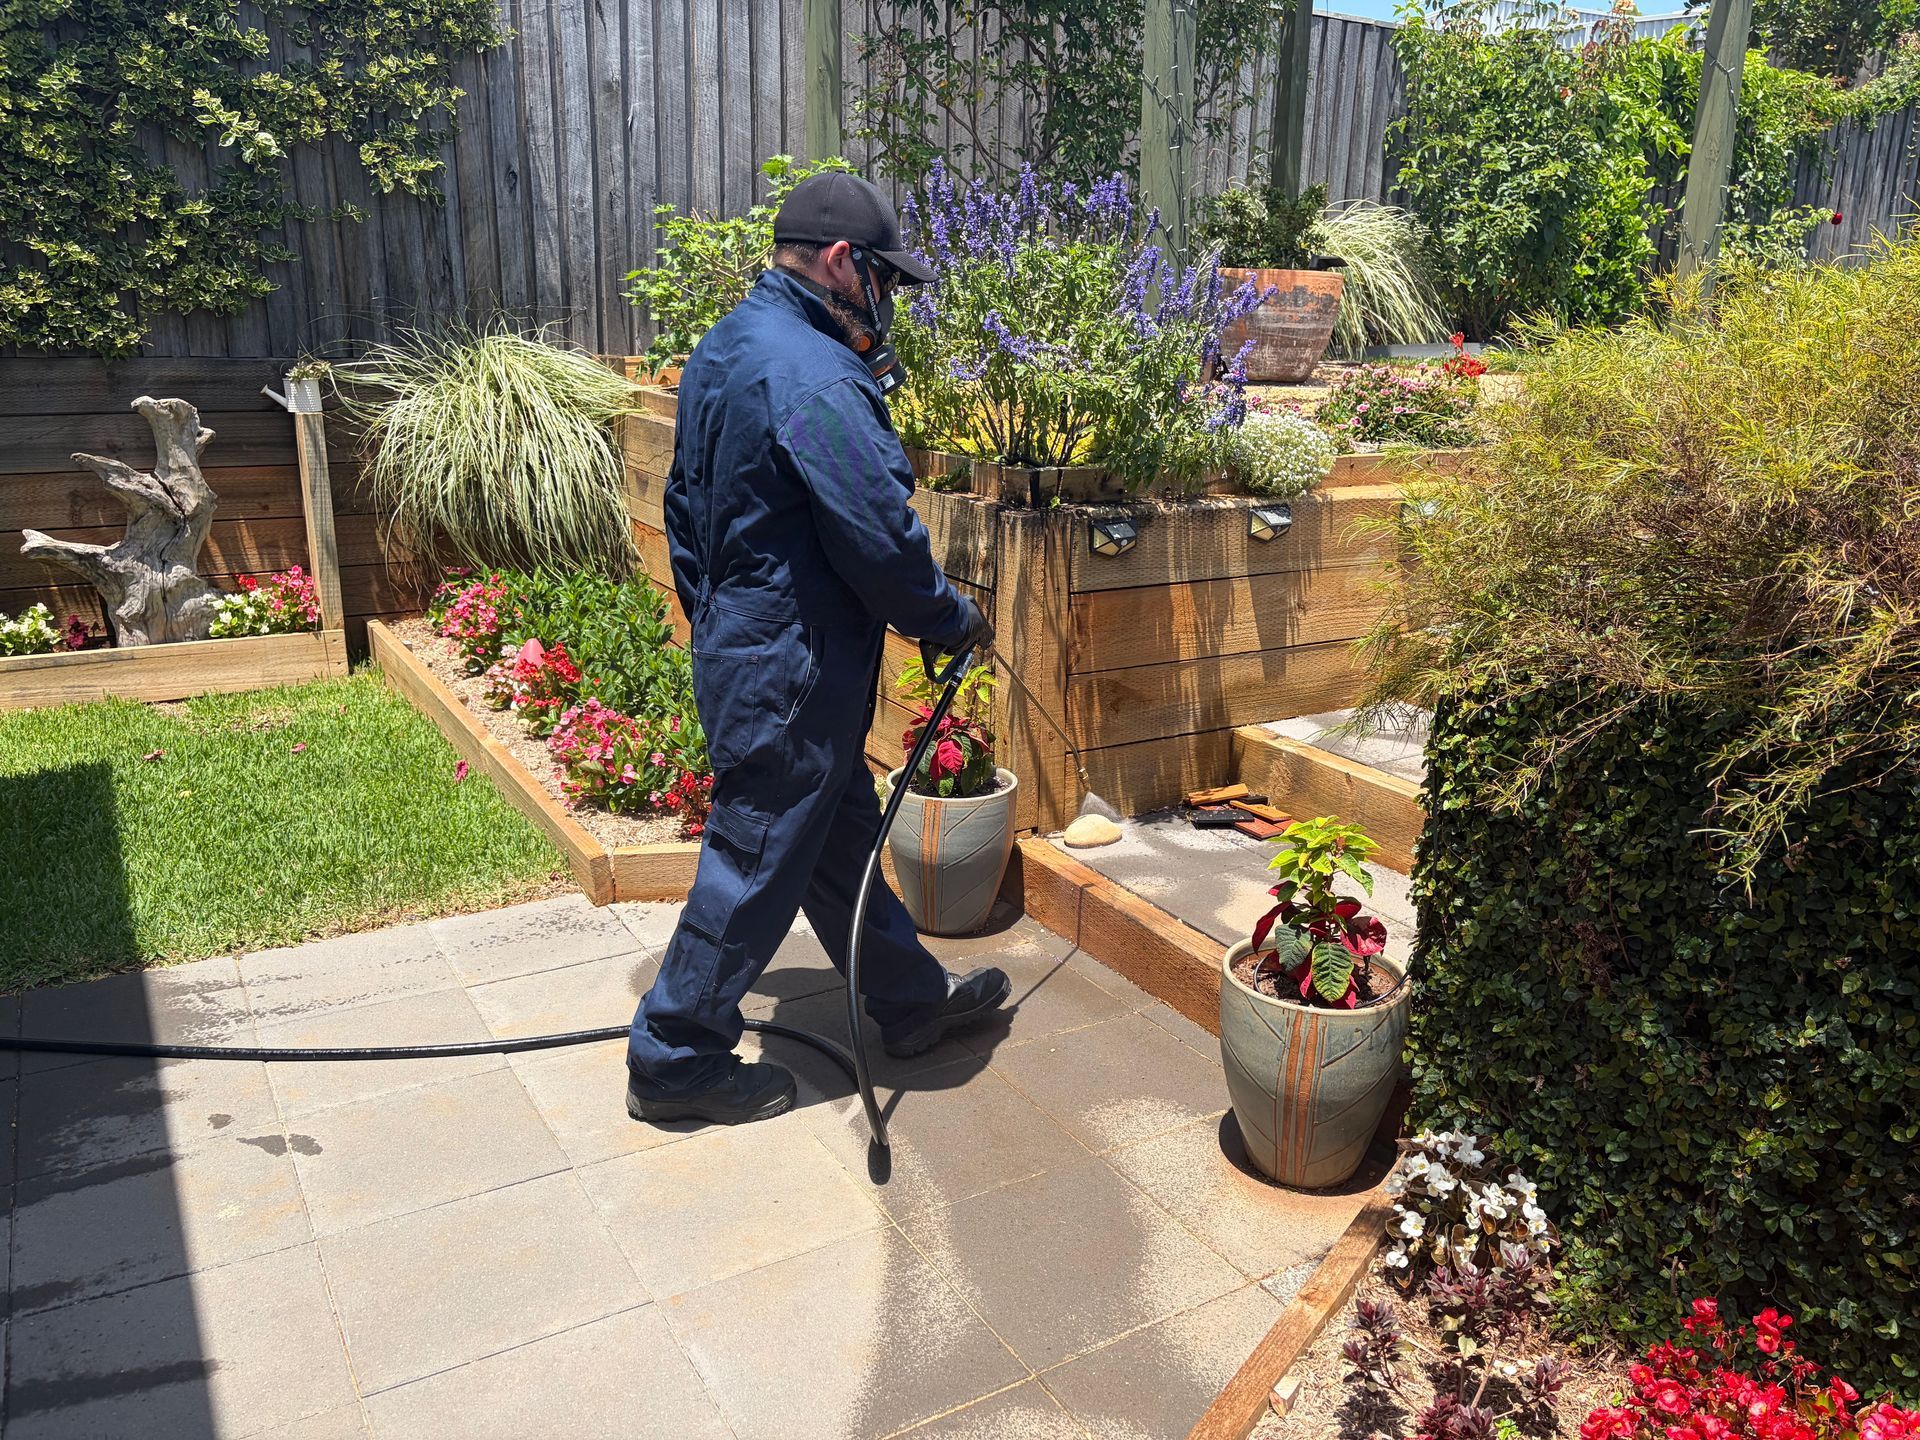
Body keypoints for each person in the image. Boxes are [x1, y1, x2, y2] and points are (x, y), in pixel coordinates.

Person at [625, 172, 1008, 1126]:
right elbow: (878, 538)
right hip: (793, 664)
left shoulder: (728, 345)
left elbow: (685, 507)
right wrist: (947, 618)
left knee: (836, 834)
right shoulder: (819, 375)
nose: (887, 300)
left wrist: (725, 618)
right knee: (756, 852)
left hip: (753, 643)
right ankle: (675, 1054)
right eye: (884, 277)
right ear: (842, 261)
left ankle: (908, 1001)